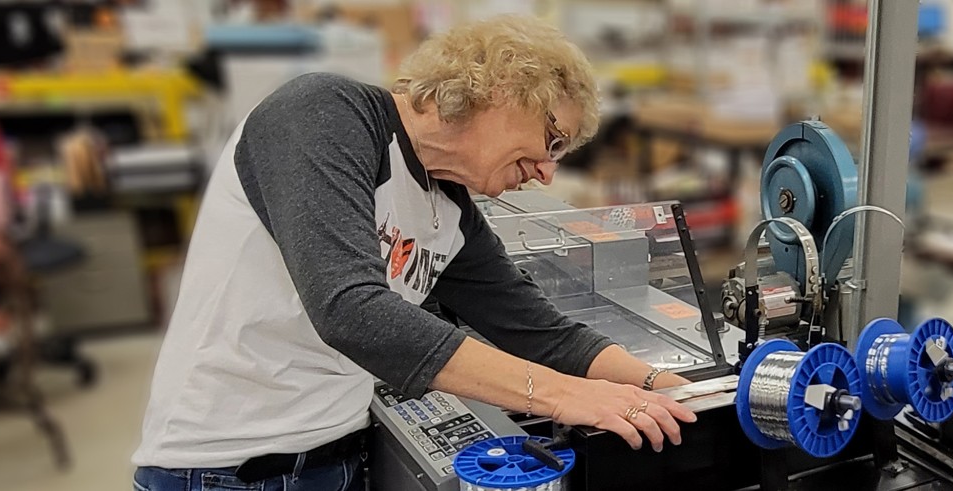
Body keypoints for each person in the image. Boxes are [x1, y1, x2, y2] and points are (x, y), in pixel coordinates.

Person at [132, 15, 696, 491]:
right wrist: (565, 397)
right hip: (223, 468)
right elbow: (351, 309)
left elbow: (541, 332)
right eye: (552, 140)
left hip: (339, 455)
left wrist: (675, 391)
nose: (548, 170)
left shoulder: (448, 205)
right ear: (502, 88)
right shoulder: (323, 114)